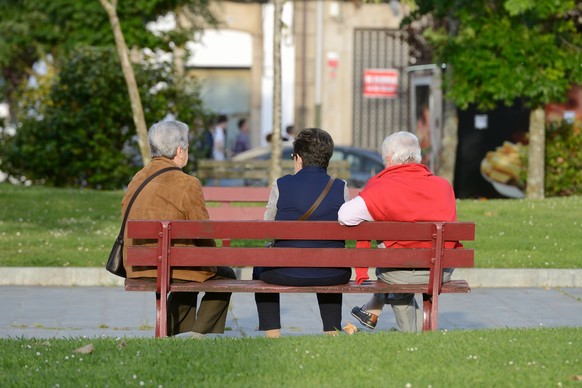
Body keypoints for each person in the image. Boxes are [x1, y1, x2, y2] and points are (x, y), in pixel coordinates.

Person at [122, 120, 236, 337]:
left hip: (138, 266)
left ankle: (170, 332)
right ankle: (198, 334)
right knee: (223, 274)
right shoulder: (187, 183)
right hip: (172, 266)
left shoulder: (137, 179)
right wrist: (212, 259)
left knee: (189, 269)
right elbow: (203, 233)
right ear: (179, 150)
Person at [338, 131, 461, 332]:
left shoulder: (381, 188)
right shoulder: (443, 185)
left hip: (400, 273)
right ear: (417, 156)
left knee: (394, 274)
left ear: (389, 159)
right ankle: (374, 311)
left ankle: (408, 334)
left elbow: (345, 216)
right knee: (397, 267)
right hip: (441, 271)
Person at [253, 127, 352, 338]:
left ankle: (273, 333)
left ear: (298, 158)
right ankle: (331, 330)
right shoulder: (340, 187)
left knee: (259, 264)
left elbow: (268, 226)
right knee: (329, 258)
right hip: (333, 274)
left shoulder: (282, 184)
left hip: (285, 272)